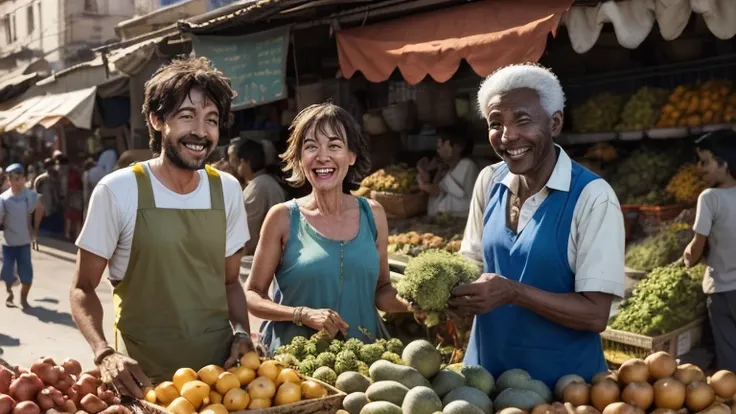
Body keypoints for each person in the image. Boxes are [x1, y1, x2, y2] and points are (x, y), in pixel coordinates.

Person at [69, 57, 255, 395]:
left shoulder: (227, 189)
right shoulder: (118, 190)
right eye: (187, 116)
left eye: (211, 120)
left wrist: (242, 331)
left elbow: (230, 282)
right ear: (157, 120)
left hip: (219, 379)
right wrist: (104, 353)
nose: (201, 132)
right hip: (142, 379)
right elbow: (82, 288)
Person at [452, 63, 625, 388]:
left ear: (555, 122)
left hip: (564, 388)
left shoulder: (592, 197)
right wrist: (448, 294)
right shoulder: (489, 181)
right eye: (496, 123)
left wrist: (514, 292)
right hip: (484, 379)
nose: (508, 136)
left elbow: (595, 314)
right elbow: (471, 263)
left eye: (523, 120)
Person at [245, 103, 410, 351]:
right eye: (311, 147)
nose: (322, 157)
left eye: (334, 146)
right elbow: (253, 295)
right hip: (295, 365)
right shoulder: (282, 217)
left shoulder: (372, 214)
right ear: (300, 158)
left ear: (351, 155)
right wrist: (301, 314)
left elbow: (382, 291)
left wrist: (415, 302)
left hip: (364, 359)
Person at [684, 129, 736, 372]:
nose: (699, 168)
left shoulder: (710, 198)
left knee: (728, 353)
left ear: (724, 163)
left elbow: (697, 245)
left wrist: (687, 258)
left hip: (723, 291)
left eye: (705, 162)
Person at [233, 138, 287, 255]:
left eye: (238, 162)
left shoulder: (259, 185)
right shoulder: (264, 182)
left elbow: (249, 228)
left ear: (245, 162)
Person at [1, 163, 44, 308]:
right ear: (8, 181)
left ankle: (23, 299)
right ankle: (10, 294)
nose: (17, 182)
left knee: (27, 275)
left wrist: (35, 228)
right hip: (8, 243)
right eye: (14, 179)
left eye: (20, 178)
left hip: (24, 242)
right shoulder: (4, 199)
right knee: (7, 274)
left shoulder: (29, 196)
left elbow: (39, 208)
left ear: (24, 178)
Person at [417, 129, 480, 217]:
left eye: (441, 146)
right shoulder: (447, 169)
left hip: (461, 218)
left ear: (458, 147)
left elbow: (438, 190)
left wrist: (423, 184)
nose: (438, 151)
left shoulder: (467, 165)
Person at [56, 155, 84, 241]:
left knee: (68, 216)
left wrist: (62, 196)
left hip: (70, 195)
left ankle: (67, 234)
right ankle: (78, 235)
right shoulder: (75, 170)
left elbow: (64, 186)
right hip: (78, 195)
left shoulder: (64, 172)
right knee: (77, 217)